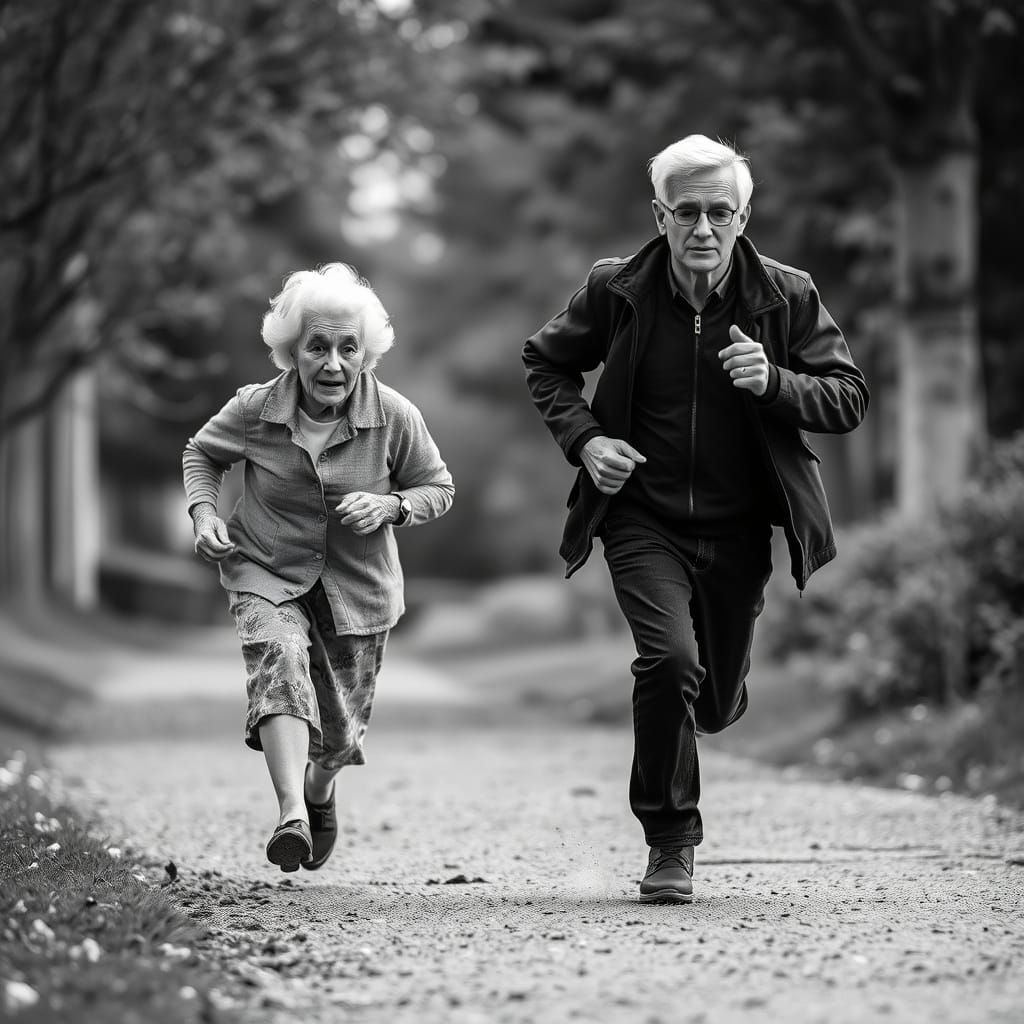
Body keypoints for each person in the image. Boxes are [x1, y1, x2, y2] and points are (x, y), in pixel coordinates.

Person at [522, 135, 868, 903]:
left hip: (741, 526)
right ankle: (670, 843)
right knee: (669, 663)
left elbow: (848, 396)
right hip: (640, 520)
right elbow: (545, 362)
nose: (703, 227)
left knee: (712, 697)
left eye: (720, 211)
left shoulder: (786, 294)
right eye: (687, 211)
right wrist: (588, 442)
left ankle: (713, 697)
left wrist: (775, 382)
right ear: (660, 216)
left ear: (744, 217)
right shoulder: (617, 289)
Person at [183, 263, 454, 872]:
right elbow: (201, 453)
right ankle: (291, 816)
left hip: (356, 591)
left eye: (347, 348)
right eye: (317, 347)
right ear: (291, 352)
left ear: (366, 354)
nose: (333, 364)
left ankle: (319, 786)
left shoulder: (394, 417)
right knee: (277, 662)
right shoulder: (254, 411)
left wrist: (392, 505)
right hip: (266, 571)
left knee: (338, 737)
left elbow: (439, 487)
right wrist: (204, 515)